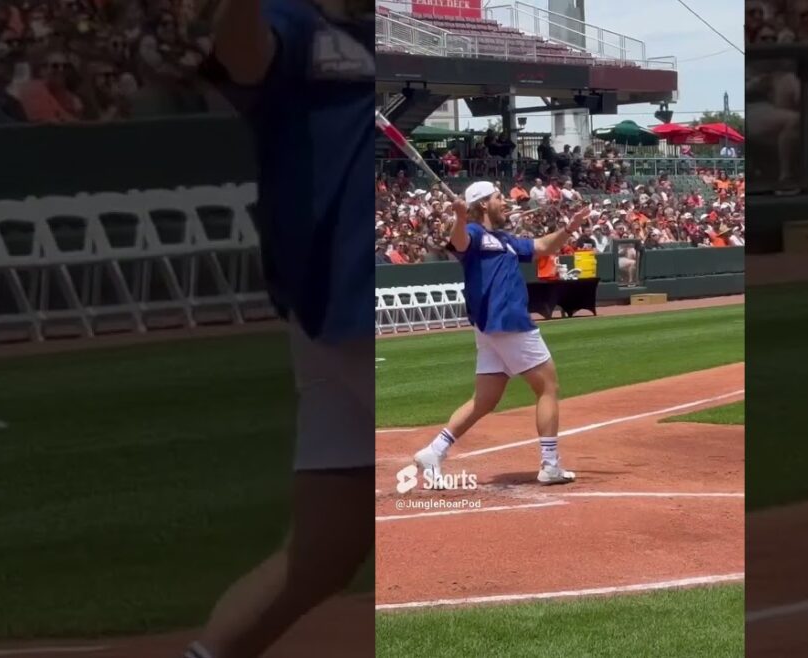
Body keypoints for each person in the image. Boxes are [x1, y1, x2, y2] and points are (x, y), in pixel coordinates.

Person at [182, 1, 374, 657]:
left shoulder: (381, 35)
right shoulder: (292, 25)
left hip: (332, 312)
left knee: (321, 554)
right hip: (348, 292)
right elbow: (239, 47)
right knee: (455, 491)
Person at [413, 182, 591, 486]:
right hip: (507, 321)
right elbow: (459, 241)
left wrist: (569, 228)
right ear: (483, 204)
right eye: (498, 197)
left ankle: (434, 451)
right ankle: (550, 465)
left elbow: (541, 247)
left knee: (484, 400)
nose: (504, 201)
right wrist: (459, 216)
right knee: (547, 387)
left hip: (492, 327)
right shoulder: (475, 234)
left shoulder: (504, 240)